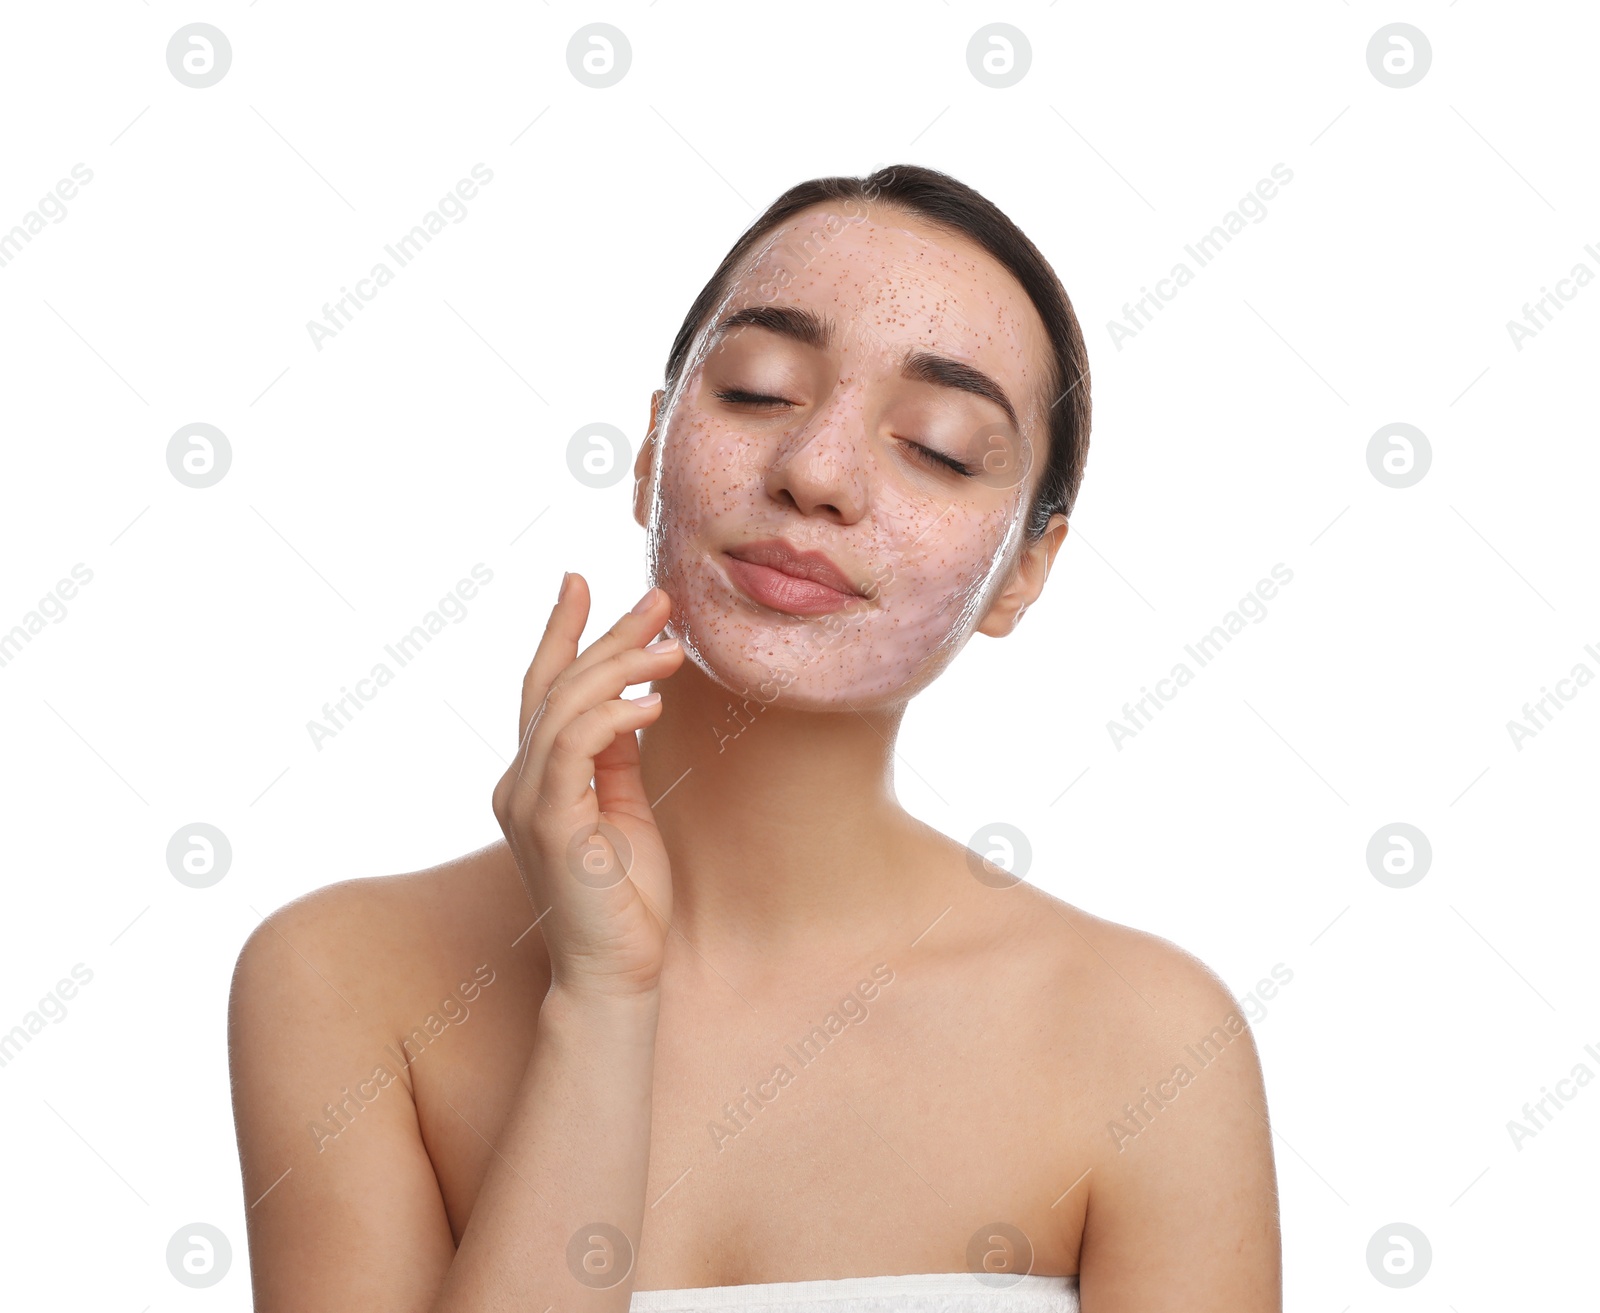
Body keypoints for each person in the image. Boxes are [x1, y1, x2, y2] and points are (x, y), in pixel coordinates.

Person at [229, 164, 1281, 1312]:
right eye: (758, 388)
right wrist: (599, 999)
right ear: (648, 450)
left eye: (933, 444)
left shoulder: (1149, 1047)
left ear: (1023, 570)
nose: (816, 472)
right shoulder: (344, 978)